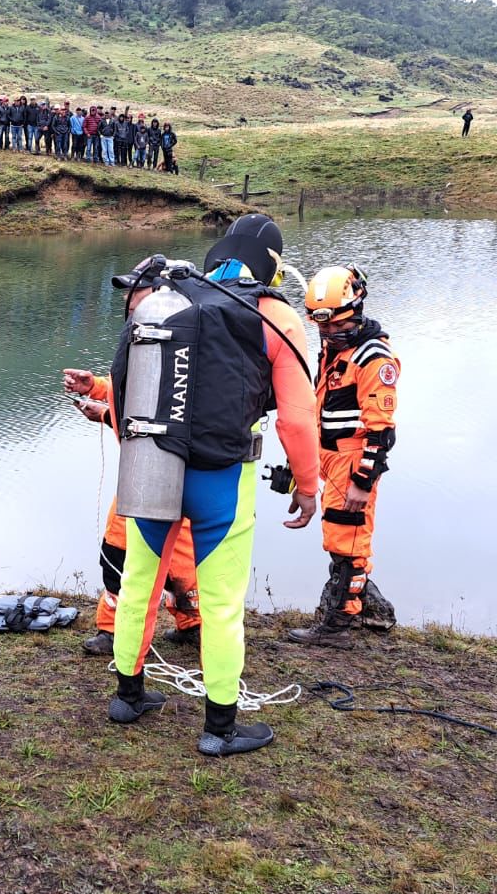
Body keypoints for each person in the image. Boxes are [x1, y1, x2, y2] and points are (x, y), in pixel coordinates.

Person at [104, 215, 320, 756]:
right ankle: (221, 727)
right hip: (223, 477)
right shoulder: (274, 314)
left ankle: (128, 696)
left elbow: (122, 392)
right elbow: (296, 419)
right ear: (270, 264)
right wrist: (309, 484)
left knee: (139, 580)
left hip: (155, 465)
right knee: (222, 602)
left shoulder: (168, 298)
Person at [62, 290, 203, 657]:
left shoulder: (190, 347)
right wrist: (96, 392)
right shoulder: (139, 336)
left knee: (177, 559)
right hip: (140, 470)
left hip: (175, 470)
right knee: (117, 550)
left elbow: (167, 409)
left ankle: (193, 624)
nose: (129, 299)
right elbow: (134, 396)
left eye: (136, 292)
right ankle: (113, 630)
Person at [287, 265, 399, 647]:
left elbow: (381, 430)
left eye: (338, 325)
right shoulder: (333, 352)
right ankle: (354, 612)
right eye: (324, 326)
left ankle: (338, 625)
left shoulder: (373, 359)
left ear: (358, 310)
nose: (331, 333)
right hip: (330, 458)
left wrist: (363, 482)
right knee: (339, 540)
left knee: (348, 543)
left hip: (352, 461)